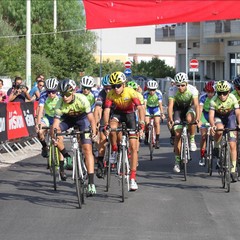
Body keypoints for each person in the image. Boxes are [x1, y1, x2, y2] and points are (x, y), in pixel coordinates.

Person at [52, 79, 98, 196]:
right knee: (54, 131)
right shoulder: (59, 103)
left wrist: (93, 132)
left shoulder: (82, 99)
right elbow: (56, 123)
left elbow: (91, 119)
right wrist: (54, 135)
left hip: (82, 120)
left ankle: (91, 183)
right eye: (62, 95)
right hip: (68, 120)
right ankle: (67, 156)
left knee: (87, 149)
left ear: (72, 92)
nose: (65, 97)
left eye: (67, 94)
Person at [103, 71, 145, 191]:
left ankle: (132, 178)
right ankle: (115, 150)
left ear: (124, 84)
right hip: (118, 114)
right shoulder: (110, 94)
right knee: (112, 128)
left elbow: (140, 108)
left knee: (133, 147)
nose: (116, 88)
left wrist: (142, 123)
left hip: (130, 115)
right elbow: (106, 111)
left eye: (118, 85)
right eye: (113, 86)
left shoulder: (130, 92)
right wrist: (106, 125)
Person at [168, 72, 200, 173]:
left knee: (190, 119)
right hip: (178, 110)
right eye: (178, 85)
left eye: (182, 85)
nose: (180, 87)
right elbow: (170, 106)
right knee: (177, 135)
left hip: (188, 108)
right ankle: (177, 162)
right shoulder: (172, 90)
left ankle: (191, 139)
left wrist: (198, 119)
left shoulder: (193, 89)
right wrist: (170, 119)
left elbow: (196, 105)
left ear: (187, 83)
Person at [209, 80, 240, 182]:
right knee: (219, 129)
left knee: (232, 144)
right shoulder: (213, 100)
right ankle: (217, 147)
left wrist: (239, 124)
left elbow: (238, 113)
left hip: (230, 117)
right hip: (219, 118)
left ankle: (233, 170)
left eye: (225, 93)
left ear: (228, 92)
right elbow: (211, 116)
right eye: (219, 93)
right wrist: (213, 125)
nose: (222, 96)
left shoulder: (232, 98)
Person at [35, 78, 63, 164]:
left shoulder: (60, 96)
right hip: (47, 117)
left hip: (58, 118)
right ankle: (44, 146)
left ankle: (62, 162)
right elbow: (40, 109)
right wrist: (38, 123)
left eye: (53, 92)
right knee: (39, 131)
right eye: (49, 92)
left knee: (59, 139)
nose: (51, 94)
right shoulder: (43, 95)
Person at [94, 74, 112, 178]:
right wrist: (96, 124)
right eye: (106, 88)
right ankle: (100, 165)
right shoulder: (101, 94)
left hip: (114, 114)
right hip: (104, 115)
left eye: (110, 88)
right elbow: (97, 109)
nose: (108, 91)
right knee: (102, 138)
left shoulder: (116, 94)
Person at [143, 80, 165, 149]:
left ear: (156, 89)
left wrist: (162, 113)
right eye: (150, 90)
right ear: (148, 89)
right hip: (148, 108)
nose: (152, 92)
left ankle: (157, 140)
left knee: (157, 122)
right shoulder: (145, 94)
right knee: (146, 122)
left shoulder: (158, 93)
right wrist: (143, 115)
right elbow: (144, 105)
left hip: (156, 108)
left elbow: (160, 104)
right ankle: (146, 136)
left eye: (153, 90)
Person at [198, 81, 215, 166]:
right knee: (203, 136)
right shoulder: (203, 97)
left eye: (212, 92)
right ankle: (202, 155)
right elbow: (200, 109)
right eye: (208, 92)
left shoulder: (216, 97)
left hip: (213, 115)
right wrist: (199, 120)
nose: (210, 94)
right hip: (204, 115)